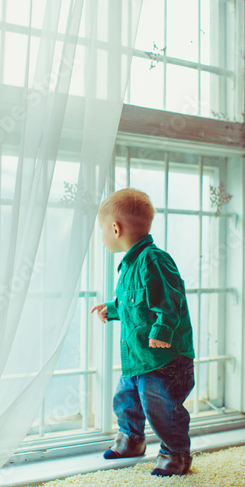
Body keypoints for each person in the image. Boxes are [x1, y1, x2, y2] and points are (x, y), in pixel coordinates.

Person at [90, 188, 195, 477]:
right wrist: (111, 309)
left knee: (162, 409)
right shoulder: (130, 265)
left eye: (102, 230)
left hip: (164, 360)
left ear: (115, 228)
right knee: (125, 400)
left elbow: (171, 298)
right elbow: (135, 304)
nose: (102, 236)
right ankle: (131, 440)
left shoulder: (154, 260)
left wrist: (162, 329)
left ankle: (176, 454)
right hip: (138, 357)